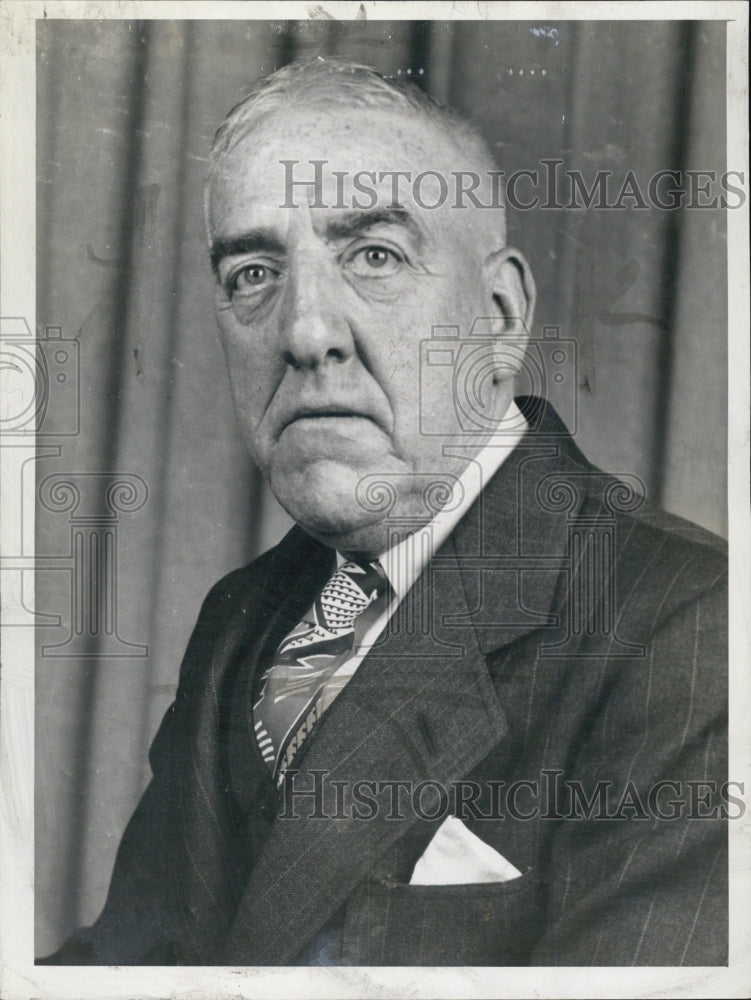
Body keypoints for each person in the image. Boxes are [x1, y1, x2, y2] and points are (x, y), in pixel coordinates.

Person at [41, 57, 728, 967]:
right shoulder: (246, 614)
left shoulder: (690, 625)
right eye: (252, 272)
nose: (303, 331)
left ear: (499, 315)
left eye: (374, 255)